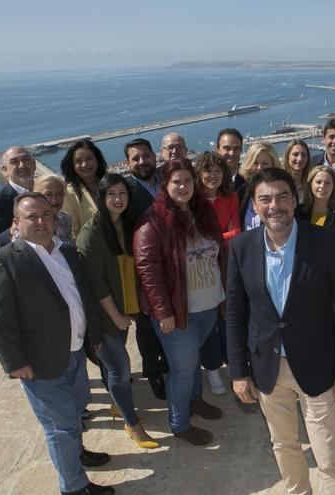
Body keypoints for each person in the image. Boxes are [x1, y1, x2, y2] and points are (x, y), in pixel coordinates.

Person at [226, 168, 335, 495]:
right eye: (265, 199)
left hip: (317, 365)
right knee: (284, 446)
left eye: (283, 196)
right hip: (268, 368)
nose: (275, 205)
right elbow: (235, 313)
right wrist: (239, 372)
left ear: (295, 198)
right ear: (255, 206)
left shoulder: (327, 242)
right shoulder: (241, 247)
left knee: (328, 453)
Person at [0, 192, 114, 495]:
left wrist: (91, 336)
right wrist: (15, 363)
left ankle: (77, 455)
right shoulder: (2, 261)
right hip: (40, 362)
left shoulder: (66, 252)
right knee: (61, 427)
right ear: (16, 223)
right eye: (32, 216)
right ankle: (74, 487)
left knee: (77, 411)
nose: (41, 221)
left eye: (46, 215)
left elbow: (81, 297)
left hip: (76, 351)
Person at [133, 159, 225, 446]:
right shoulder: (152, 221)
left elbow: (219, 252)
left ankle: (195, 401)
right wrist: (163, 312)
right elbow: (149, 271)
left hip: (207, 304)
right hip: (177, 311)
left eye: (188, 180)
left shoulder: (202, 211)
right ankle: (179, 423)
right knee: (182, 369)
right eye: (176, 182)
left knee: (192, 361)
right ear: (165, 185)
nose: (183, 187)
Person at [76, 174, 159, 450]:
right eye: (111, 194)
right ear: (101, 198)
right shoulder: (92, 232)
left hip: (123, 309)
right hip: (102, 316)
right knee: (120, 370)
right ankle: (132, 424)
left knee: (114, 366)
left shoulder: (123, 223)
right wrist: (116, 317)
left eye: (122, 193)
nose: (118, 199)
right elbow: (95, 283)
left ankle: (119, 407)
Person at [121, 138, 168, 401]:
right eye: (135, 158)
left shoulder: (165, 181)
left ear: (154, 156)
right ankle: (153, 372)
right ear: (127, 164)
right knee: (147, 325)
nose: (142, 162)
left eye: (145, 156)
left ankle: (167, 362)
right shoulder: (125, 190)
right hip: (143, 268)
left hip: (172, 263)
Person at [195, 151, 242, 395]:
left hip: (225, 265)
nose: (212, 175)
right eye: (207, 170)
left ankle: (232, 363)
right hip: (200, 269)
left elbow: (238, 230)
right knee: (206, 318)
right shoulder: (193, 200)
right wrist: (220, 238)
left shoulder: (231, 196)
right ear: (199, 174)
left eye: (217, 170)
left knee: (227, 315)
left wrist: (211, 240)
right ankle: (212, 369)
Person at [298, 165, 335, 270]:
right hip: (304, 272)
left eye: (327, 183)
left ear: (334, 186)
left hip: (333, 272)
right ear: (310, 184)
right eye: (318, 182)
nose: (322, 186)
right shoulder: (298, 212)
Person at [0, 146, 35, 252]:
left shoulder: (46, 193)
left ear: (34, 164)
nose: (22, 165)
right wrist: (12, 231)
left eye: (26, 159)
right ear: (5, 170)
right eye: (14, 162)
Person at [61, 140, 108, 237]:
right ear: (72, 166)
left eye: (89, 158)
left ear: (97, 160)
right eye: (78, 161)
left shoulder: (109, 184)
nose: (84, 164)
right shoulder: (69, 194)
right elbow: (72, 234)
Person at [238, 142, 282, 231]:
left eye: (265, 163)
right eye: (255, 163)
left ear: (273, 165)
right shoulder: (242, 191)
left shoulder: (282, 192)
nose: (259, 168)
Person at [29, 175, 75, 245]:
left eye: (59, 194)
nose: (54, 200)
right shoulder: (28, 223)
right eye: (48, 194)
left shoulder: (66, 220)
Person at [282, 139, 312, 203]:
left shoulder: (311, 184)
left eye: (303, 155)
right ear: (287, 156)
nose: (300, 159)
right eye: (295, 154)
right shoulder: (279, 183)